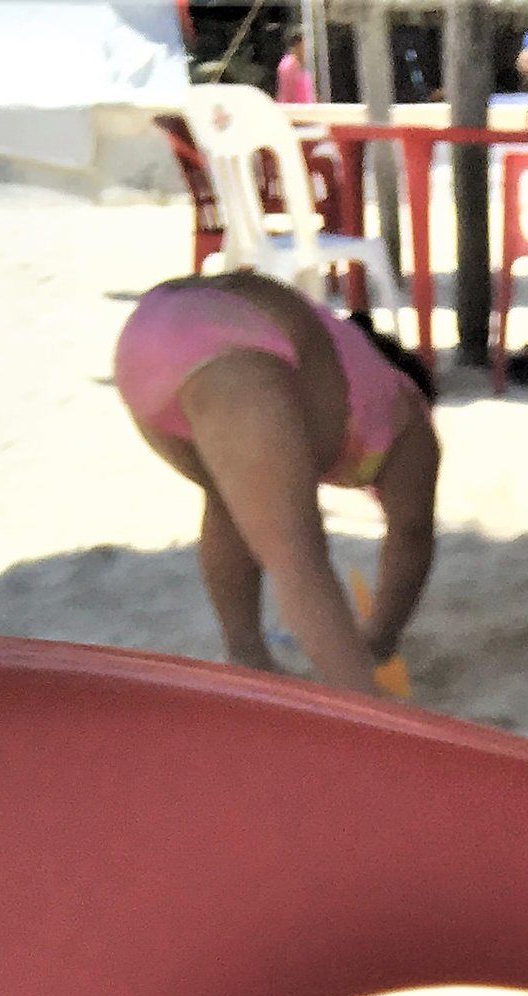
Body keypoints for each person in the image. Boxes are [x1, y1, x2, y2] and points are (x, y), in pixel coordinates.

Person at [113, 271, 439, 695]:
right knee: (296, 555)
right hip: (230, 340)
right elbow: (412, 532)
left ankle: (245, 650)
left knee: (228, 499)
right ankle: (365, 702)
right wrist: (379, 635)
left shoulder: (345, 365)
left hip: (148, 332)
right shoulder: (407, 410)